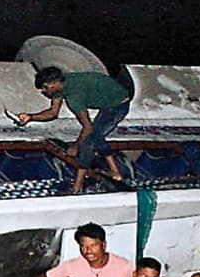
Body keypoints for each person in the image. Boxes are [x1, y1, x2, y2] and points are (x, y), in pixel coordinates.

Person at [16, 65, 131, 193]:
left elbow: (87, 127)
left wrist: (75, 146)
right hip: (107, 101)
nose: (43, 91)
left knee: (89, 142)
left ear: (53, 84)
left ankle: (79, 186)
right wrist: (30, 117)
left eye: (45, 87)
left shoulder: (74, 96)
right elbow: (53, 113)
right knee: (94, 136)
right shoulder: (60, 87)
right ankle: (113, 172)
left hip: (118, 104)